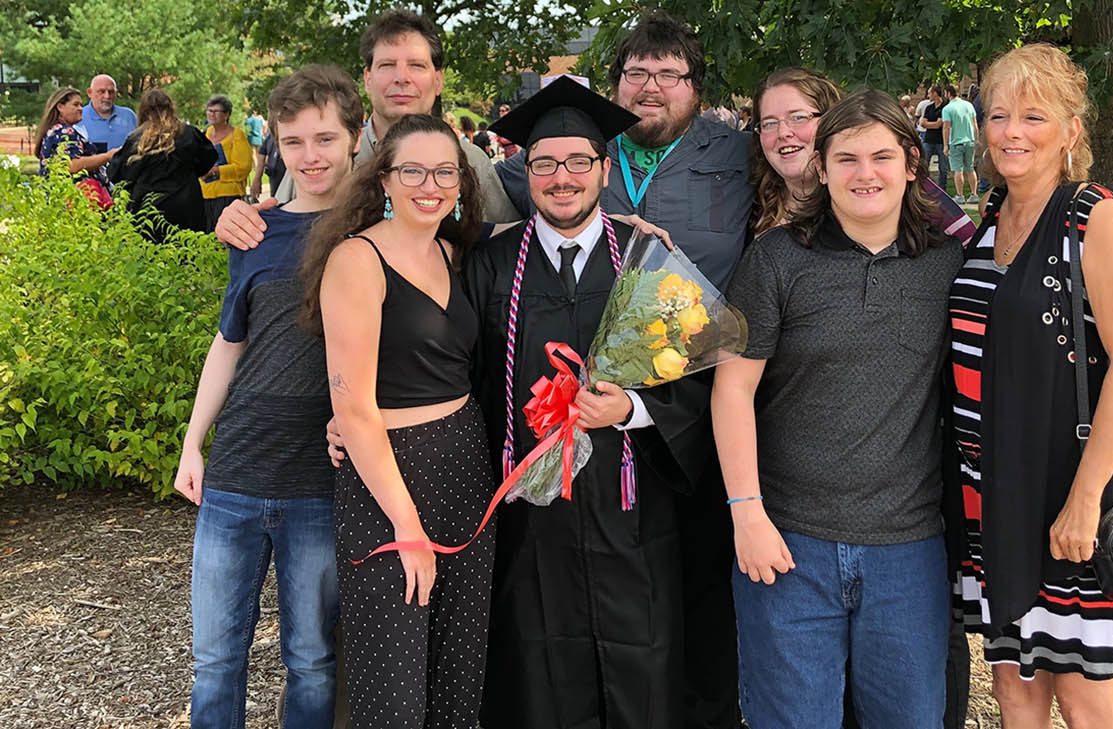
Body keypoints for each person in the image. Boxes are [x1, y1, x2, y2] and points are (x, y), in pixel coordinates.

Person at [495, 14, 752, 727]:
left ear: (695, 89)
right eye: (636, 73)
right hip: (556, 471)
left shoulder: (739, 157)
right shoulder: (522, 217)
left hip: (673, 444)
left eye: (669, 74)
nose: (650, 87)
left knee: (682, 613)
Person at [714, 88, 962, 729]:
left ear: (912, 164)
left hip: (907, 549)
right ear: (820, 168)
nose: (865, 173)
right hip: (788, 542)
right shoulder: (774, 260)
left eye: (881, 156)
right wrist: (747, 514)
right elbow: (733, 389)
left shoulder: (946, 267)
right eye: (846, 158)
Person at [948, 44, 1113, 728]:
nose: (1010, 131)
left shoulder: (1091, 217)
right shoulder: (990, 218)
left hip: (1065, 492)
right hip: (992, 491)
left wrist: (1085, 501)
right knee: (1014, 686)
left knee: (1083, 691)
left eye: (1033, 116)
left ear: (1071, 130)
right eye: (999, 114)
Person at [172, 64, 366, 729]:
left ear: (353, 138)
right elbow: (230, 341)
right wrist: (193, 443)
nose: (310, 156)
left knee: (311, 657)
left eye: (324, 138)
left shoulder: (380, 233)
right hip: (235, 475)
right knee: (215, 659)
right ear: (276, 147)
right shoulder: (255, 230)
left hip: (321, 482)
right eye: (293, 142)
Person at [302, 112, 492, 729]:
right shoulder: (356, 261)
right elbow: (353, 409)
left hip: (466, 467)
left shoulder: (456, 252)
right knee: (393, 688)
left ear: (463, 182)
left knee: (457, 677)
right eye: (412, 170)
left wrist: (625, 222)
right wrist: (407, 528)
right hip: (389, 481)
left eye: (445, 171)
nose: (429, 184)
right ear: (383, 177)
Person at [214, 10, 517, 248]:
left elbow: (512, 242)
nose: (402, 78)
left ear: (437, 81)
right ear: (368, 78)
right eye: (387, 66)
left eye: (416, 65)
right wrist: (238, 221)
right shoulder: (322, 159)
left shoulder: (471, 161)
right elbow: (277, 223)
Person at [106, 88, 218, 242]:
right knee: (189, 254)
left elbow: (117, 174)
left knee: (150, 257)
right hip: (186, 204)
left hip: (148, 209)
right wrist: (190, 173)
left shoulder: (136, 140)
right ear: (171, 108)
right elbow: (208, 158)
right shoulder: (189, 133)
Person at [749, 67, 840, 235]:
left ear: (830, 120)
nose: (783, 133)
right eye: (769, 123)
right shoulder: (749, 208)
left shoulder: (855, 215)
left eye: (798, 117)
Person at [36, 87, 118, 188]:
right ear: (60, 107)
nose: (80, 109)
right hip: (73, 198)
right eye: (75, 105)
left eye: (81, 105)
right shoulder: (64, 132)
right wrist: (108, 156)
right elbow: (73, 165)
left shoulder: (54, 131)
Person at [200, 94, 254, 232]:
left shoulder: (236, 135)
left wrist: (216, 171)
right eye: (209, 111)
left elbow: (244, 167)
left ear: (227, 115)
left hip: (227, 196)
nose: (211, 114)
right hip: (204, 195)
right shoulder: (205, 134)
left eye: (216, 111)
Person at [76, 74, 137, 153]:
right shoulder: (78, 117)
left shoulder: (129, 116)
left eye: (111, 92)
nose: (107, 96)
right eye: (101, 91)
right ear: (89, 92)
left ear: (116, 94)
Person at [942, 83, 979, 203]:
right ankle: (974, 194)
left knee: (958, 170)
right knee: (970, 168)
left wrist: (945, 145)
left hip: (956, 142)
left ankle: (960, 195)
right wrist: (976, 139)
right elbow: (975, 124)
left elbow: (946, 127)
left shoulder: (947, 109)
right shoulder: (969, 105)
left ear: (948, 93)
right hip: (970, 141)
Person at [920, 85, 949, 194]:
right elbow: (923, 123)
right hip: (928, 140)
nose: (928, 95)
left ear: (935, 93)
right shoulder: (929, 107)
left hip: (941, 140)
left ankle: (942, 189)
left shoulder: (945, 107)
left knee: (943, 167)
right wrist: (933, 124)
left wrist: (930, 124)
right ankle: (924, 187)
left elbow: (939, 124)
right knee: (924, 164)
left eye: (929, 93)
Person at [251, 131, 287, 201]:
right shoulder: (272, 134)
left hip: (289, 178)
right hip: (275, 176)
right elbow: (262, 152)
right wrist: (257, 178)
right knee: (275, 203)